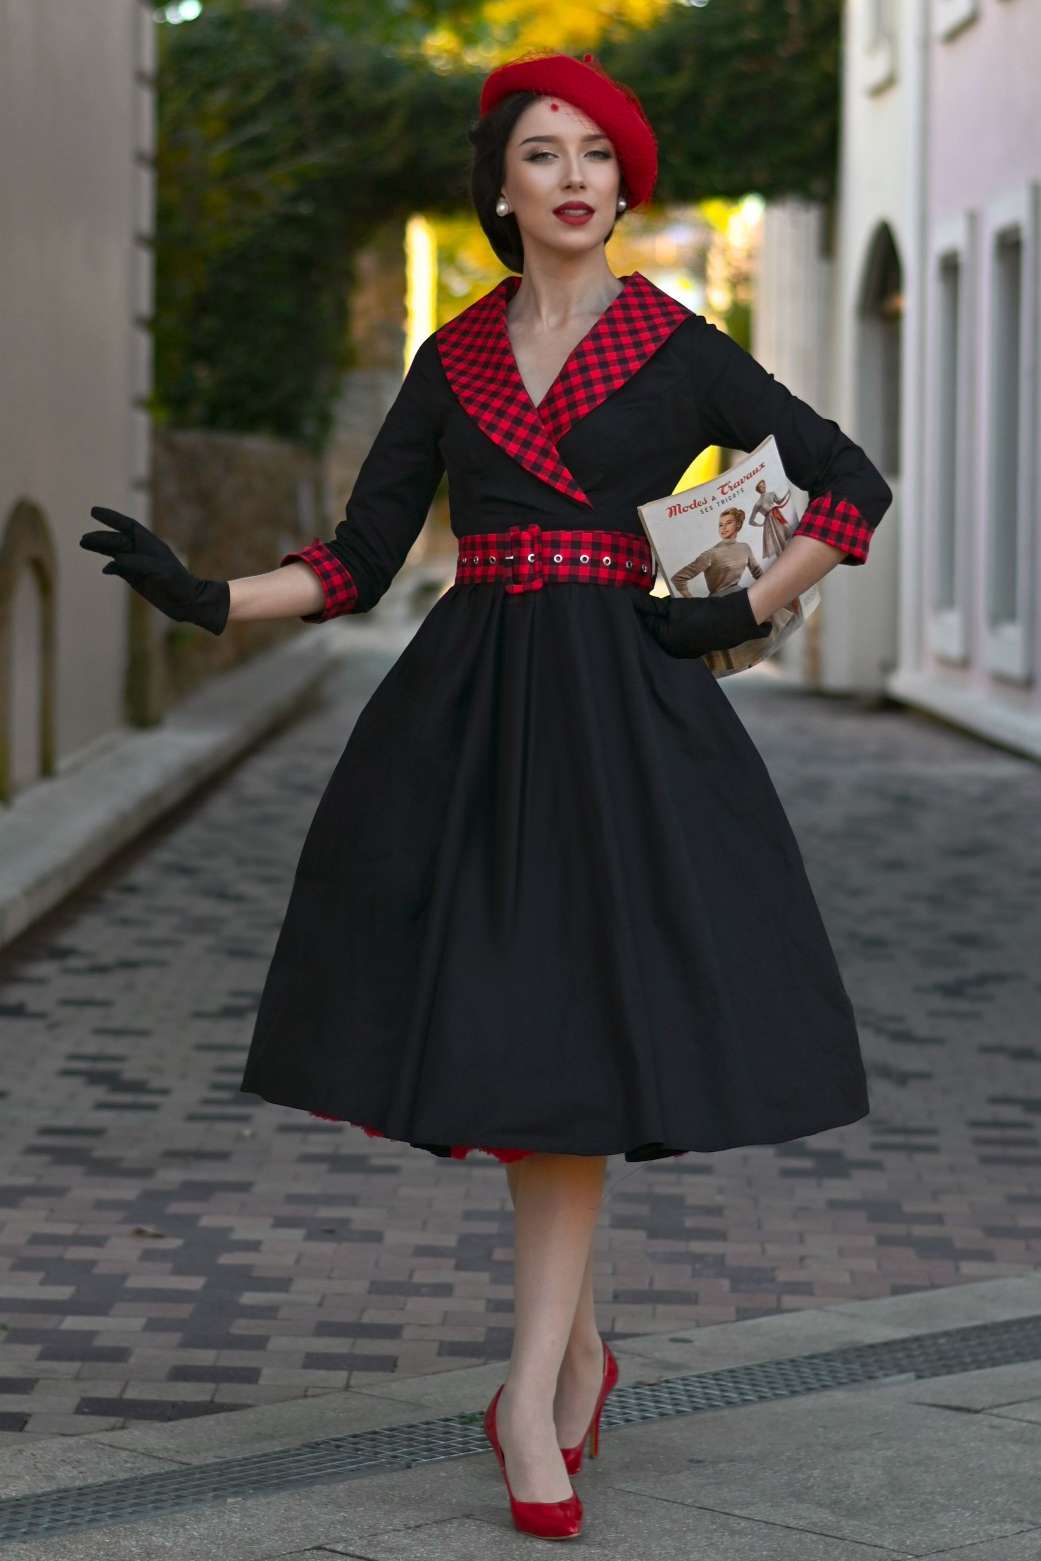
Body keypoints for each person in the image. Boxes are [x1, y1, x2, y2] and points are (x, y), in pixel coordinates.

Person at [80, 49, 893, 1542]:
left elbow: (843, 479)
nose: (574, 176)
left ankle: (528, 1396)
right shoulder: (450, 355)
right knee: (530, 1041)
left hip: (628, 723)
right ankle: (573, 1354)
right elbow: (357, 559)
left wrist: (738, 606)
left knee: (565, 1046)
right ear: (499, 188)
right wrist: (204, 597)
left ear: (622, 183)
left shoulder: (675, 339)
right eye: (542, 154)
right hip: (466, 718)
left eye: (597, 152)